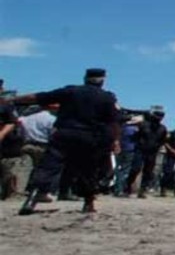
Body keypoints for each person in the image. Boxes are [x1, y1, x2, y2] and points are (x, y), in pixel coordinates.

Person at [15, 68, 120, 215]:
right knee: (88, 170)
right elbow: (113, 122)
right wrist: (114, 141)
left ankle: (32, 199)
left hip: (65, 134)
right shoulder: (107, 98)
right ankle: (88, 203)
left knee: (49, 166)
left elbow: (39, 97)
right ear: (103, 80)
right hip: (89, 137)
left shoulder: (71, 91)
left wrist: (12, 99)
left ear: (85, 78)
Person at [133, 106, 168, 198]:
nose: (158, 118)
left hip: (152, 152)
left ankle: (142, 190)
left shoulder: (163, 128)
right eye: (157, 115)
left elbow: (163, 140)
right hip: (140, 150)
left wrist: (157, 147)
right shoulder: (143, 125)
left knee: (148, 171)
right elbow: (136, 136)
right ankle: (128, 186)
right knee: (135, 168)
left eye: (161, 116)